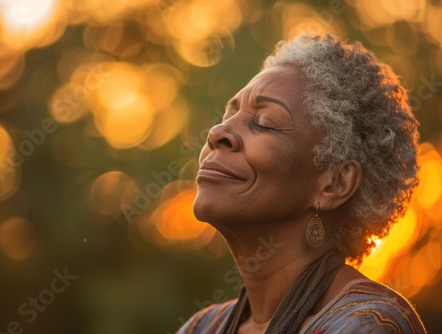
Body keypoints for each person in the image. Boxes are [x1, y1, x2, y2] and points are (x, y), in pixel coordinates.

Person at [177, 33, 426, 334]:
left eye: (264, 122)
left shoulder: (368, 325)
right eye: (228, 115)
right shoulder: (202, 327)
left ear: (334, 184)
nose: (218, 132)